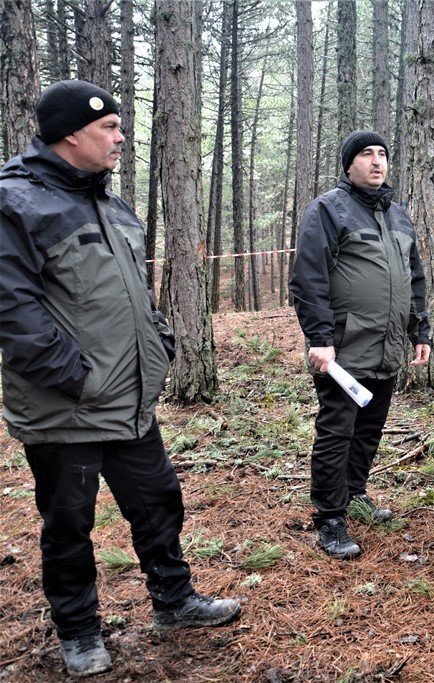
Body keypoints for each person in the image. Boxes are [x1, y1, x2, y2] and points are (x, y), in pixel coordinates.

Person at [0, 80, 240, 678]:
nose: (120, 137)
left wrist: (156, 344)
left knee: (158, 502)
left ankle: (175, 601)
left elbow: (135, 288)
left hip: (128, 398)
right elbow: (12, 308)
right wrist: (76, 377)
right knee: (69, 526)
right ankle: (79, 632)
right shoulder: (16, 202)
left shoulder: (108, 201)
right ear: (70, 135)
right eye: (109, 128)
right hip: (67, 406)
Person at [290, 130, 432, 559]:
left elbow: (415, 278)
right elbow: (308, 279)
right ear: (348, 164)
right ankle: (330, 518)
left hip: (387, 345)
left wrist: (420, 331)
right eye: (366, 154)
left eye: (382, 154)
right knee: (338, 431)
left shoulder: (398, 216)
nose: (376, 162)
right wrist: (320, 339)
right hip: (345, 347)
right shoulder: (328, 211)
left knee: (369, 428)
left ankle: (354, 493)